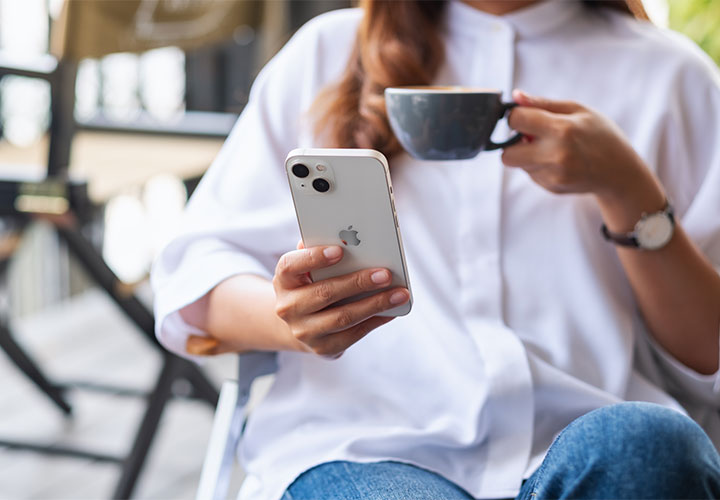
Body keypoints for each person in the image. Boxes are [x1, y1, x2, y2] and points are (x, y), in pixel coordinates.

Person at [151, 0, 720, 498]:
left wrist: (627, 189)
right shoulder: (327, 55)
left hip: (595, 439)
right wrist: (290, 319)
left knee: (653, 446)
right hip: (366, 444)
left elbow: (709, 354)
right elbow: (195, 273)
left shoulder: (671, 77)